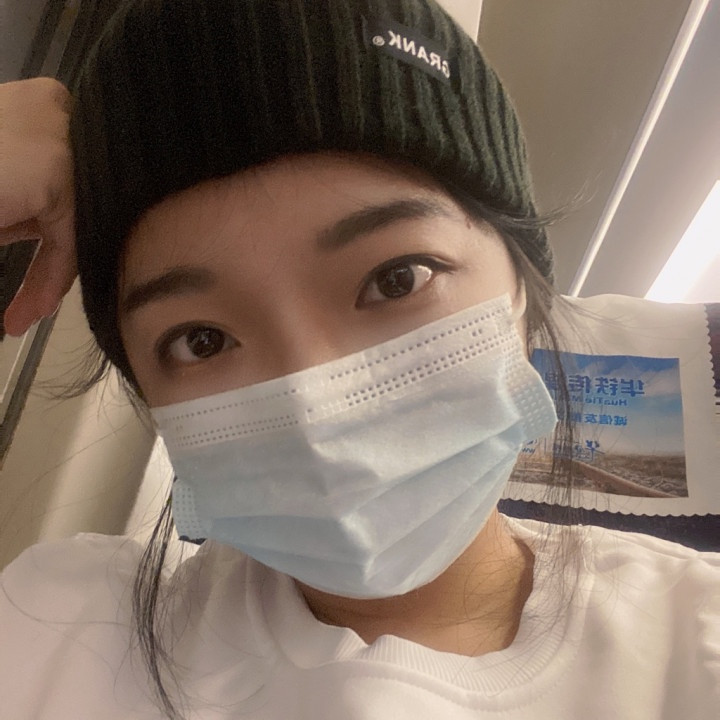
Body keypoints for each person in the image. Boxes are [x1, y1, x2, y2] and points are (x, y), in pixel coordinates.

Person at [0, 1, 717, 719]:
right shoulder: (56, 628)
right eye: (202, 340)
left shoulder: (697, 643)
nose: (311, 402)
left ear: (524, 295)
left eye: (396, 279)